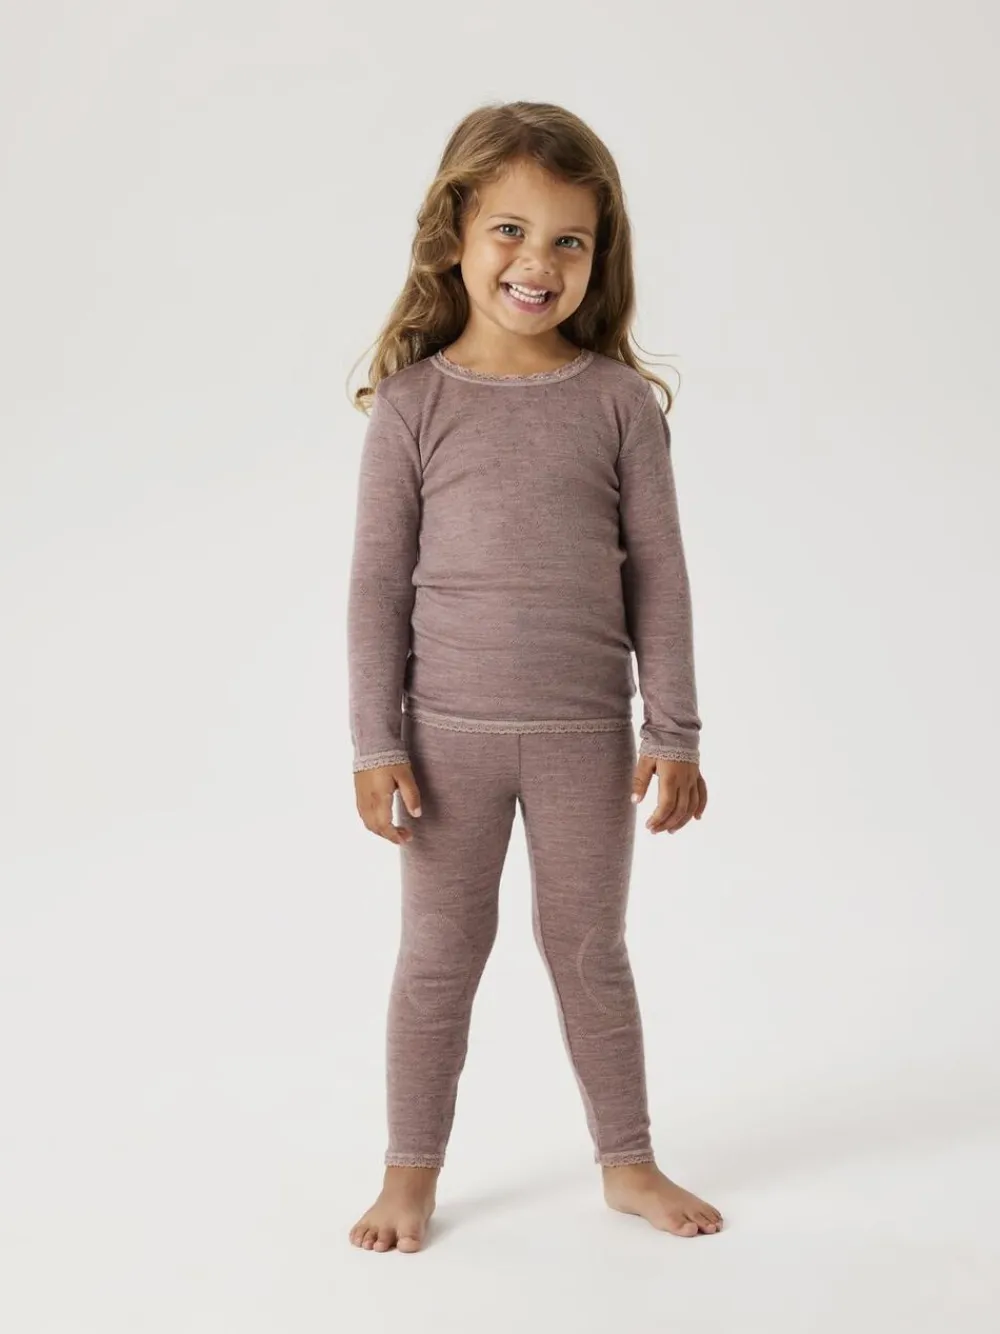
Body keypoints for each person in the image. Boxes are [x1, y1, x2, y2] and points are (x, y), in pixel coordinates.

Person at [345, 100, 723, 1253]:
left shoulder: (617, 406)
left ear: (599, 255)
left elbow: (660, 575)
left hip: (584, 741)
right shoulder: (413, 406)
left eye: (569, 240)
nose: (537, 261)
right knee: (436, 961)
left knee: (590, 953)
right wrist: (374, 741)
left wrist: (675, 731)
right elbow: (376, 588)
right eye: (510, 230)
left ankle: (628, 1161)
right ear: (454, 234)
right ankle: (408, 1172)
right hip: (442, 746)